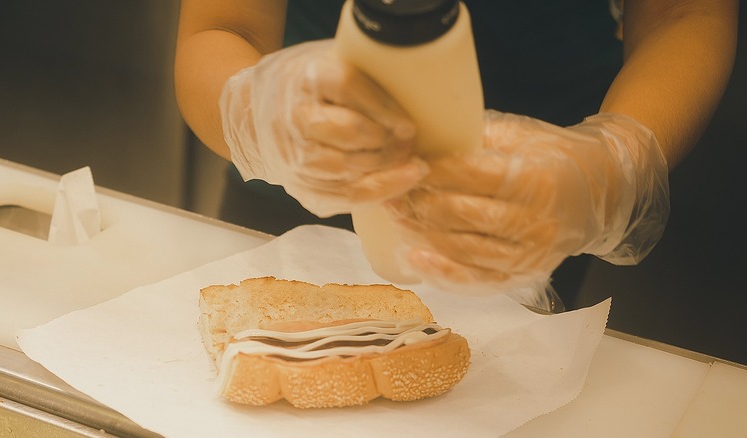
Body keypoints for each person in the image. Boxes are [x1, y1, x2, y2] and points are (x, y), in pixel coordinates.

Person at [174, 0, 738, 305]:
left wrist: (613, 167)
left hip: (541, 183)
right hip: (300, 159)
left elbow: (682, 13)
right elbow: (222, 25)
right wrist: (254, 113)